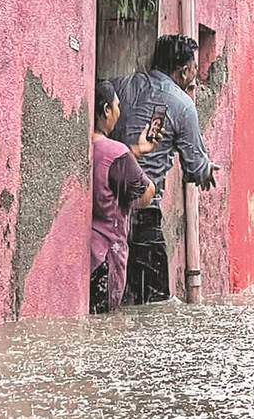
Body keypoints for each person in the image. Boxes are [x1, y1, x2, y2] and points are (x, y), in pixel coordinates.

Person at [111, 35, 219, 304]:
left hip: (107, 212)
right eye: (194, 67)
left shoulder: (122, 87)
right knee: (155, 308)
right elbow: (194, 168)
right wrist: (207, 170)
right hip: (144, 216)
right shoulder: (182, 105)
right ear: (183, 71)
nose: (196, 74)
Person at [89, 80, 157, 314]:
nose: (119, 111)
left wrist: (135, 151)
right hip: (107, 257)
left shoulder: (89, 146)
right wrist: (133, 156)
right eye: (117, 106)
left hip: (87, 256)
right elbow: (146, 193)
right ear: (106, 110)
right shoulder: (116, 152)